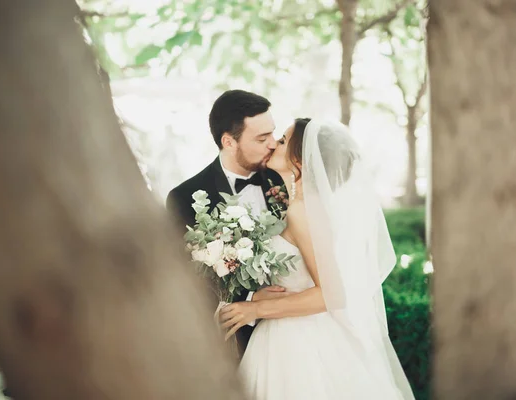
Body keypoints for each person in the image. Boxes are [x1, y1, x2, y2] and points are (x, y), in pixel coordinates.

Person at [219, 118, 415, 399]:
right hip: (293, 330)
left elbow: (331, 295)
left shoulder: (302, 212)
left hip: (300, 344)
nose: (274, 143)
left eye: (284, 141)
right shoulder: (304, 206)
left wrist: (254, 311)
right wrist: (260, 297)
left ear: (300, 160)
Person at [167, 89, 288, 357]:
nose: (273, 143)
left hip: (297, 326)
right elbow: (187, 281)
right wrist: (250, 301)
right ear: (229, 142)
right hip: (237, 342)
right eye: (261, 138)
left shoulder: (287, 178)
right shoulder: (185, 198)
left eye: (273, 133)